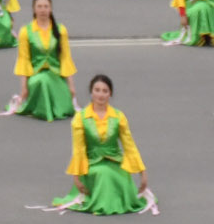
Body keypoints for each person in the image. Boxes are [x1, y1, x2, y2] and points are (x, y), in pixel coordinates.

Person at [53, 71, 153, 215]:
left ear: (110, 94)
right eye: (97, 90)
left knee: (120, 174)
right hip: (92, 164)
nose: (101, 94)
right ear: (91, 92)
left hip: (115, 161)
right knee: (104, 173)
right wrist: (76, 177)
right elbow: (78, 149)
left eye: (105, 91)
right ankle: (104, 206)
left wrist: (143, 173)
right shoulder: (81, 118)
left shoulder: (119, 116)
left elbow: (129, 145)